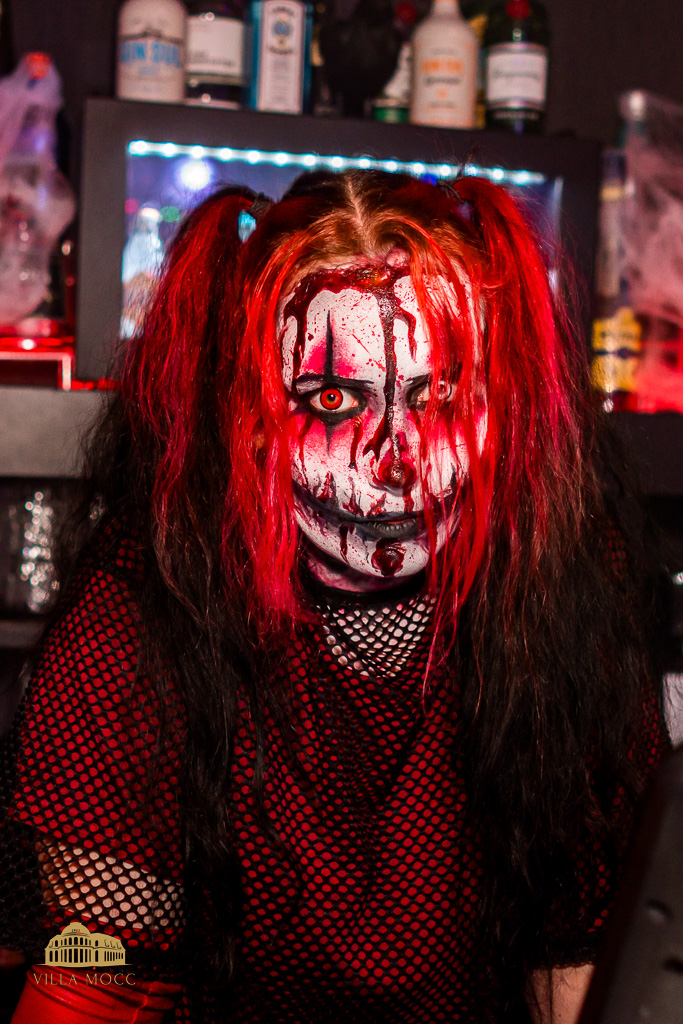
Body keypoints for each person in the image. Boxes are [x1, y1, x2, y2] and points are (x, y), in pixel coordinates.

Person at [0, 170, 670, 1024]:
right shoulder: (147, 609)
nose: (396, 462)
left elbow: (575, 962)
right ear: (244, 420)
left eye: (440, 396)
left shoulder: (556, 587)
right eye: (331, 399)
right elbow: (94, 970)